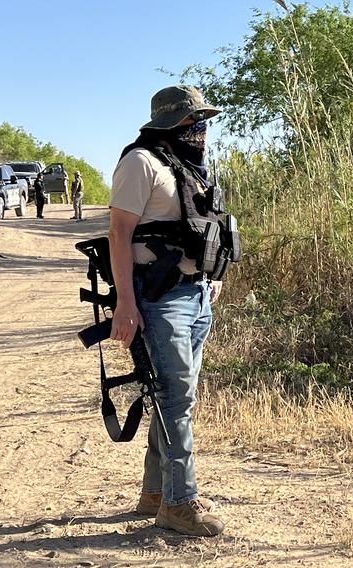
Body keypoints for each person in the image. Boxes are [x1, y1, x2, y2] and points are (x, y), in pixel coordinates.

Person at [108, 84, 227, 537]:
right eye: (194, 123)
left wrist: (210, 277)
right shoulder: (140, 163)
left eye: (203, 123)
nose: (202, 131)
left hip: (196, 295)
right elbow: (119, 234)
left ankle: (156, 492)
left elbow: (206, 230)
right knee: (176, 399)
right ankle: (180, 503)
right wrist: (125, 302)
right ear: (173, 124)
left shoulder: (187, 168)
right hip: (160, 300)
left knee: (174, 397)